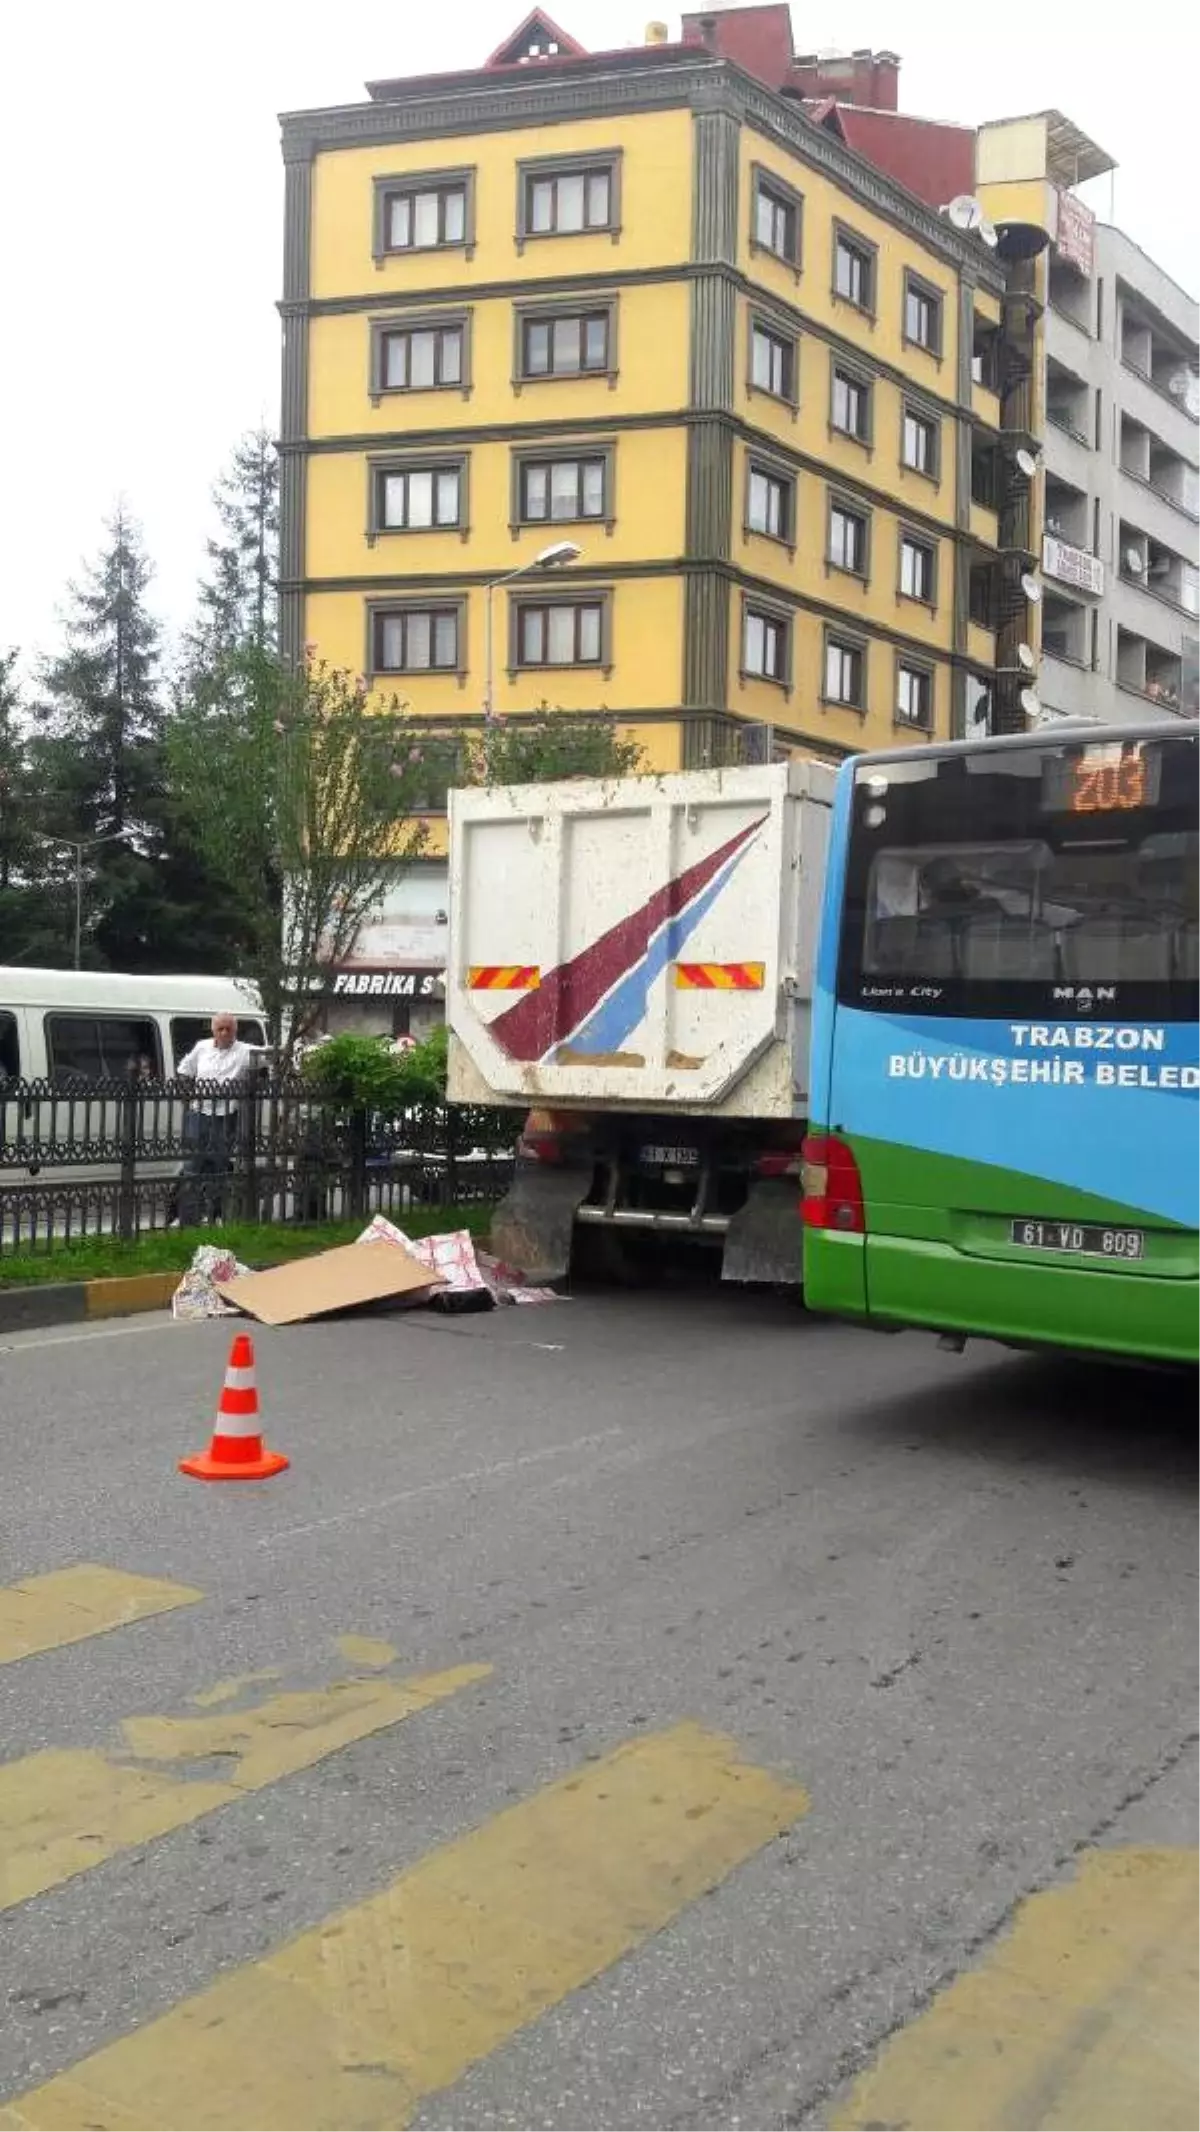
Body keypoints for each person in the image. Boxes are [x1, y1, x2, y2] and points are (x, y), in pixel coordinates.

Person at [172, 1016, 253, 1225]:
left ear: (235, 1031)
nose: (224, 1033)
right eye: (220, 1029)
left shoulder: (244, 1051)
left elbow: (268, 1058)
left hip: (225, 1116)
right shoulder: (202, 1047)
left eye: (228, 1029)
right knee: (192, 1167)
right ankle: (188, 1219)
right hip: (199, 1114)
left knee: (220, 1167)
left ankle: (216, 1215)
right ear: (213, 1030)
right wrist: (186, 1098)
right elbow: (183, 1070)